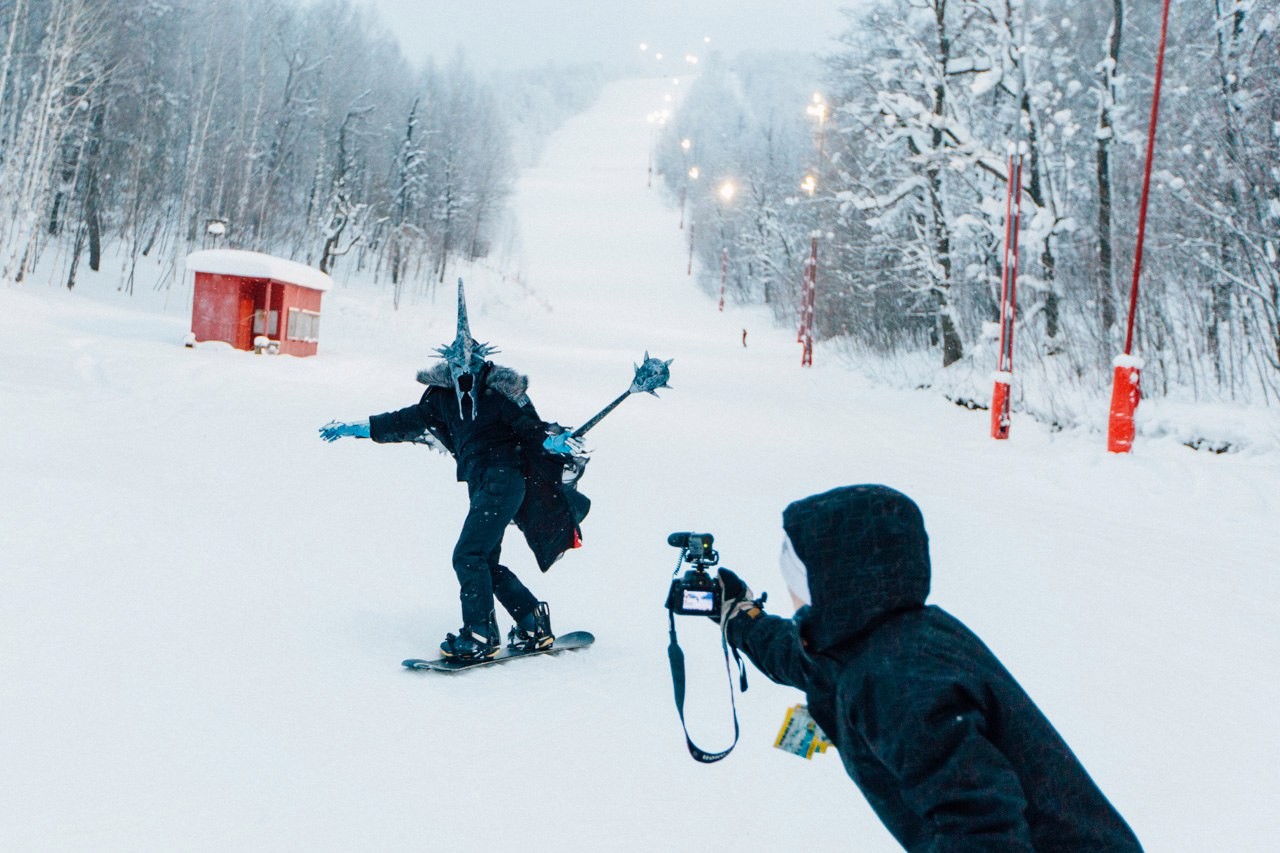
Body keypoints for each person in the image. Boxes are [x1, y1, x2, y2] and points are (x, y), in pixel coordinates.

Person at [713, 484, 1143, 851]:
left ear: (830, 584)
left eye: (795, 579)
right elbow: (805, 659)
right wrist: (741, 617)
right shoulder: (886, 637)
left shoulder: (897, 679)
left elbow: (979, 826)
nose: (792, 594)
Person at [319, 279, 587, 661]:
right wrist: (355, 428)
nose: (465, 375)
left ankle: (479, 635)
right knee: (483, 560)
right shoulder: (440, 399)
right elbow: (401, 421)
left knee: (467, 556)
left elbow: (532, 430)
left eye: (470, 367)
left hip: (506, 480)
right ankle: (532, 623)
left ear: (480, 363)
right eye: (457, 367)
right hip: (481, 484)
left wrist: (553, 440)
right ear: (448, 366)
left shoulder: (499, 394)